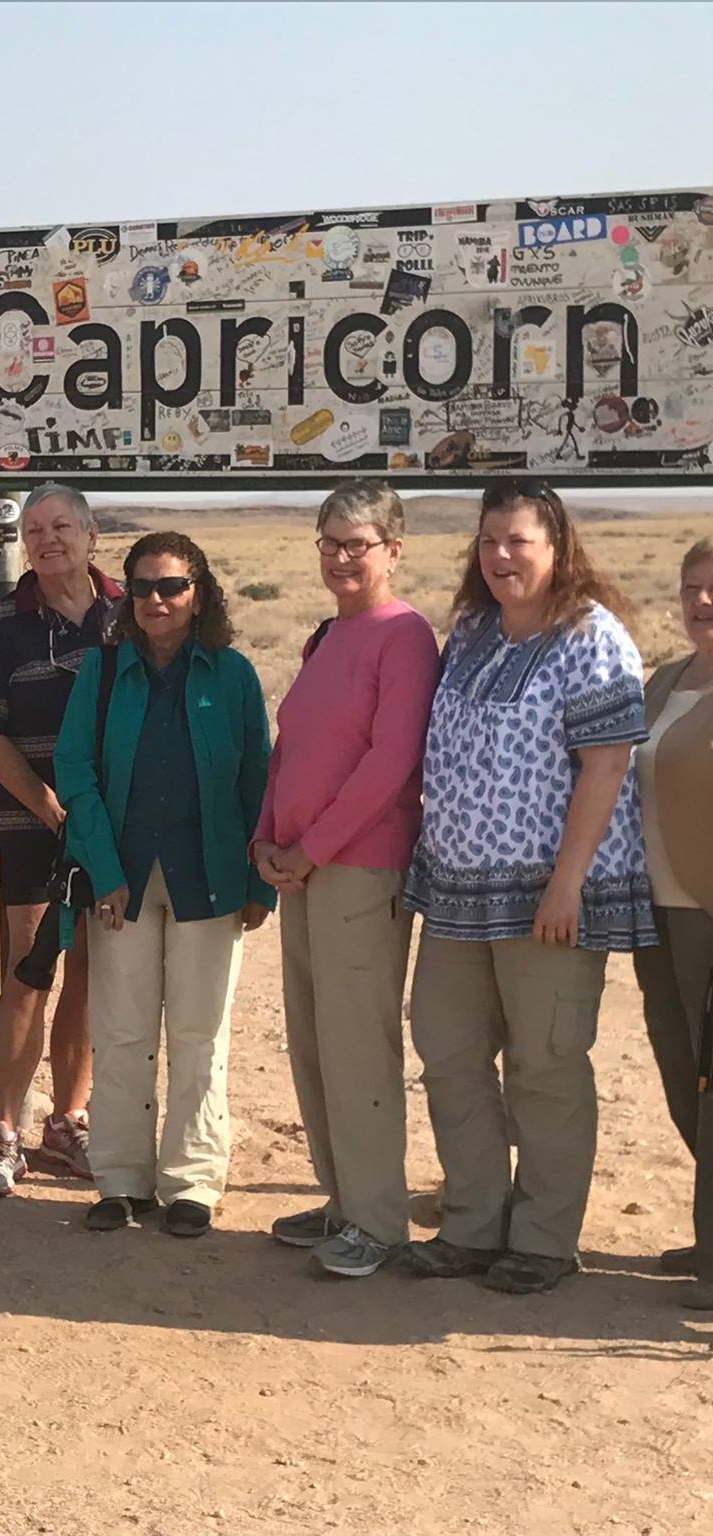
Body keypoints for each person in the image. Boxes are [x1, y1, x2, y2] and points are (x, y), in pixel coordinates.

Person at [404, 478, 654, 1294]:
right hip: (455, 895)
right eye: (489, 541)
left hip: (550, 897)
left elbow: (607, 765)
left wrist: (567, 885)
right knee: (449, 1052)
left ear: (557, 546)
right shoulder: (473, 632)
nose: (502, 556)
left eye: (520, 541)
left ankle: (545, 1238)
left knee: (546, 1066)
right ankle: (474, 1224)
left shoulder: (592, 636)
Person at [53, 532, 274, 1236]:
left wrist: (259, 885)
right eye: (142, 587)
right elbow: (76, 772)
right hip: (123, 881)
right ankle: (120, 1178)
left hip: (209, 879)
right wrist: (105, 871)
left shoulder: (233, 675)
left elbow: (257, 783)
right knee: (120, 1032)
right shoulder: (104, 670)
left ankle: (192, 1183)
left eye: (172, 586)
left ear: (199, 594)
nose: (156, 600)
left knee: (199, 1033)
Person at [252, 481, 440, 1277]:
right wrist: (265, 837)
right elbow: (289, 747)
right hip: (301, 868)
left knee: (359, 1046)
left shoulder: (405, 637)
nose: (339, 558)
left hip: (360, 869)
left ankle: (376, 1218)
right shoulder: (328, 635)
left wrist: (313, 848)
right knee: (315, 1040)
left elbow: (391, 763)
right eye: (328, 542)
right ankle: (342, 1200)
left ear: (393, 550)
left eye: (355, 544)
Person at [0, 482, 123, 1198]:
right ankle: (4, 1128)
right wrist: (48, 803)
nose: (46, 539)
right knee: (28, 973)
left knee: (88, 972)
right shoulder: (5, 621)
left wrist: (92, 817)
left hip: (110, 830)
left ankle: (68, 1120)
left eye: (61, 526)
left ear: (92, 537)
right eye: (33, 530)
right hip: (33, 823)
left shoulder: (126, 615)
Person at [630, 536, 713, 1307]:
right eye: (692, 587)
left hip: (708, 909)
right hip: (655, 909)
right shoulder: (662, 682)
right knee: (681, 1072)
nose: (703, 602)